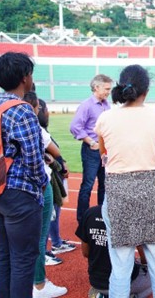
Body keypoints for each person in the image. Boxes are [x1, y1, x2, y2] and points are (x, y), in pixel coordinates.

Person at [95, 64, 155, 297]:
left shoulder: (106, 118)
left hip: (119, 194)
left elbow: (103, 154)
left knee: (120, 267)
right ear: (146, 91)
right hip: (154, 192)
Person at [0, 52, 48, 298]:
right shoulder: (22, 110)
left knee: (4, 255)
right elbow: (33, 159)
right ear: (24, 77)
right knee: (23, 260)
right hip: (19, 194)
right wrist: (41, 184)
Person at [23, 92, 68, 297]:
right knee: (39, 238)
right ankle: (39, 285)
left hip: (13, 187)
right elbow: (55, 151)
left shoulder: (1, 119)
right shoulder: (34, 127)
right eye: (39, 108)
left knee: (13, 242)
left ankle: (22, 283)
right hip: (38, 184)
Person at [75, 205, 153, 298]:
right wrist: (145, 264)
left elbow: (85, 253)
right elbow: (144, 253)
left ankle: (101, 294)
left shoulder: (90, 213)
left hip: (97, 282)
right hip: (123, 283)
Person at [70, 74, 113, 223]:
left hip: (104, 151)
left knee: (104, 185)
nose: (109, 92)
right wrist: (90, 142)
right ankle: (82, 219)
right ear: (97, 87)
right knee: (87, 185)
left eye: (110, 89)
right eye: (107, 88)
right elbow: (75, 126)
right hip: (92, 150)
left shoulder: (107, 105)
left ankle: (102, 216)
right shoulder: (86, 105)